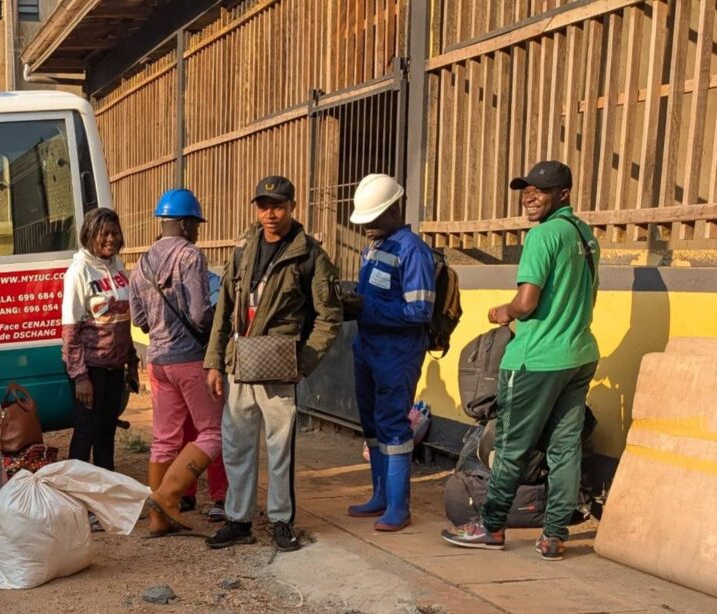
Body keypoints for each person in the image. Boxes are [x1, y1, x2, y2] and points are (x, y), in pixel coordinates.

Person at [441, 160, 600, 561]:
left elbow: (527, 303)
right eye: (526, 189)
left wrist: (504, 312)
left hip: (536, 360)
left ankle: (491, 526)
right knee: (565, 449)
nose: (529, 196)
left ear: (563, 193)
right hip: (578, 354)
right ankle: (553, 536)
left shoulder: (544, 235)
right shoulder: (584, 234)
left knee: (511, 445)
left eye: (540, 190)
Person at [204, 176, 342, 552]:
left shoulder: (309, 254)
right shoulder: (243, 249)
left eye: (278, 206)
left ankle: (281, 521)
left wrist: (304, 361)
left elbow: (328, 317)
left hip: (280, 365)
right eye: (263, 206)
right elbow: (225, 309)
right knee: (236, 446)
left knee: (280, 448)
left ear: (293, 207)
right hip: (240, 362)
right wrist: (215, 362)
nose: (270, 214)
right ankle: (239, 520)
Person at [127, 188, 224, 535]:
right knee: (213, 432)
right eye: (195, 224)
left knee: (164, 438)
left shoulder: (140, 262)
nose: (197, 230)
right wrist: (220, 324)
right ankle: (167, 496)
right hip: (189, 358)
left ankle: (158, 520)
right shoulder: (190, 256)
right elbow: (199, 314)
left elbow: (137, 317)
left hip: (157, 360)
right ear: (183, 223)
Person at [343, 174, 435, 532]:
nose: (366, 227)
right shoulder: (374, 246)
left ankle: (399, 506)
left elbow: (419, 312)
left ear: (395, 209)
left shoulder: (412, 251)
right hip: (368, 348)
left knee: (394, 426)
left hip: (397, 353)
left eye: (373, 219)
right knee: (372, 424)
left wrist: (365, 308)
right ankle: (379, 495)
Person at [62, 207, 140, 477]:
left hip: (114, 367)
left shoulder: (118, 267)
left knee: (107, 433)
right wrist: (80, 376)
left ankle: (105, 496)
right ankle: (76, 498)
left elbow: (124, 322)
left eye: (115, 233)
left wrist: (131, 363)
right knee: (86, 433)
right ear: (89, 235)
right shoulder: (78, 271)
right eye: (104, 234)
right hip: (90, 368)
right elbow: (70, 330)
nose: (111, 239)